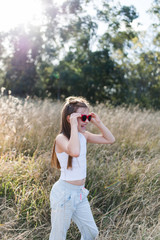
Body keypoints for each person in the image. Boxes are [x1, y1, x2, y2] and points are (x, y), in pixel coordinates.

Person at [49, 96, 115, 240]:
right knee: (58, 236)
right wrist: (73, 125)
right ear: (70, 119)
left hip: (79, 194)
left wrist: (98, 123)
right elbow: (74, 152)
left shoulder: (83, 136)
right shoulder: (61, 139)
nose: (85, 121)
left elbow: (110, 139)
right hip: (64, 194)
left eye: (87, 117)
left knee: (91, 233)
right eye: (81, 117)